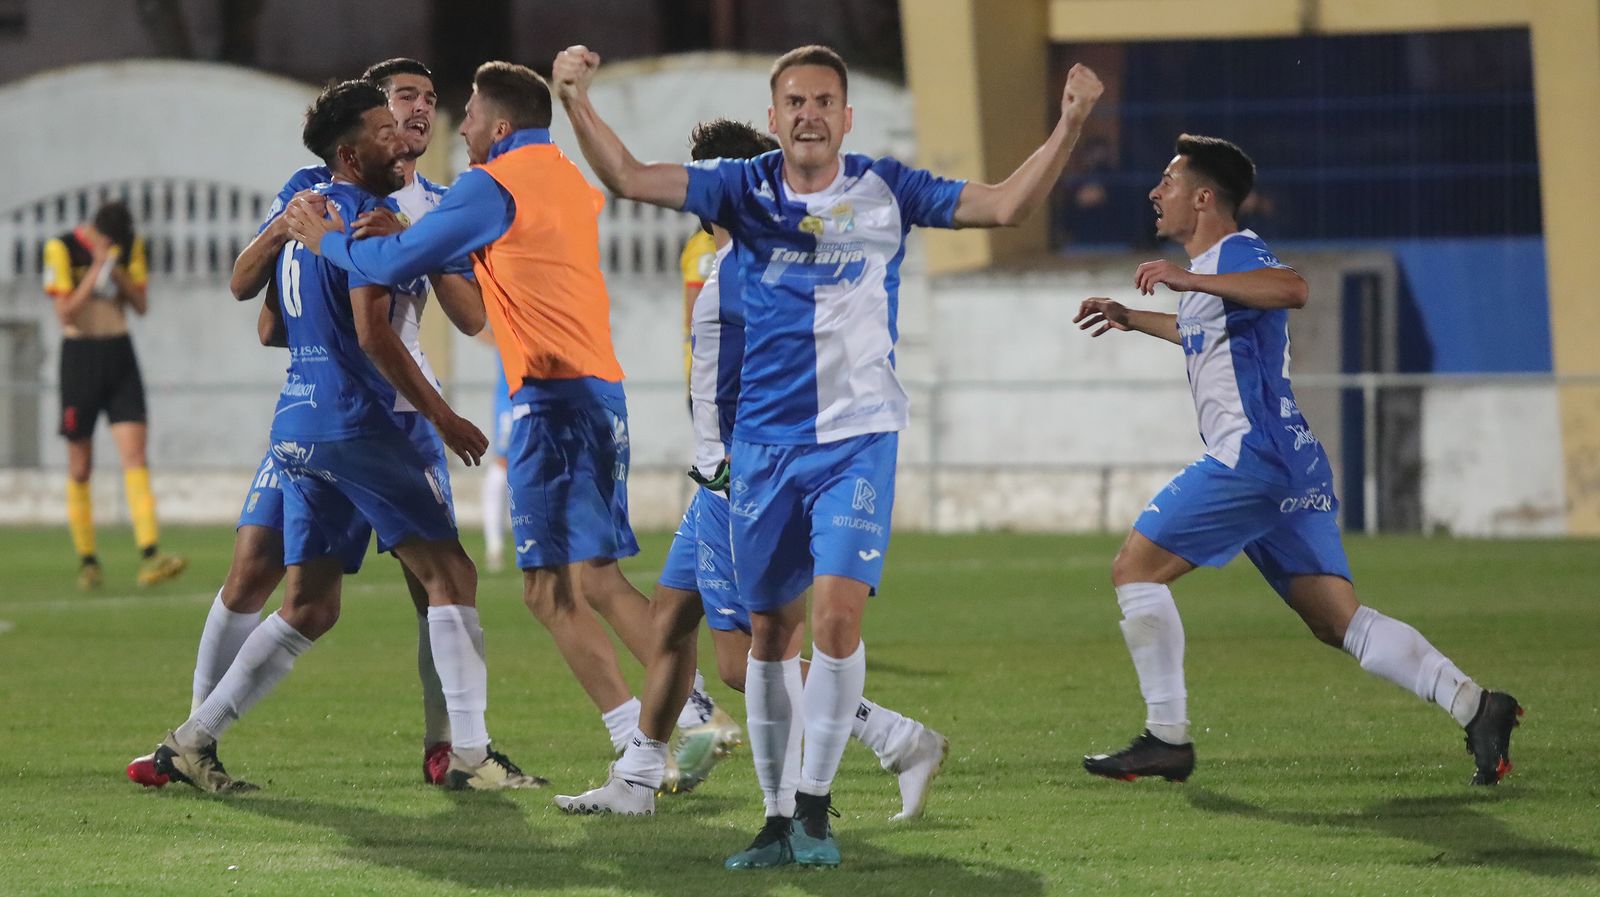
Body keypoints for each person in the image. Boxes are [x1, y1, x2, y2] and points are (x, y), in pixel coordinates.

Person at [550, 43, 1102, 869]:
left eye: (823, 101)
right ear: (773, 118)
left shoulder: (885, 189)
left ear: (847, 117)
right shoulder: (741, 195)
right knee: (734, 634)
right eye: (795, 102)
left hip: (846, 444)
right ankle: (738, 802)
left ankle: (825, 794)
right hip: (758, 455)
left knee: (818, 625)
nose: (809, 114)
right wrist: (574, 100)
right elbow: (629, 176)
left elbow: (1004, 206)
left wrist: (1070, 124)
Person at [283, 60, 722, 762]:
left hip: (552, 400)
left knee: (549, 593)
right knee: (594, 579)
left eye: (469, 114)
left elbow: (390, 265)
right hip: (601, 393)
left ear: (501, 125)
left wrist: (327, 242)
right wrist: (416, 231)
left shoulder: (490, 184)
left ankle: (676, 725)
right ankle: (680, 723)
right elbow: (474, 287)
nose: (460, 128)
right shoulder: (566, 179)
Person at [1072, 134, 1521, 787]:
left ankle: (1166, 737)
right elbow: (1201, 331)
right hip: (1290, 460)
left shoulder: (1235, 252)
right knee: (1339, 622)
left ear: (1204, 197)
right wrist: (1132, 316)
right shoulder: (1214, 275)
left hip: (1251, 456)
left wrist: (1186, 278)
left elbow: (1293, 287)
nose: (1154, 192)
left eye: (1167, 182)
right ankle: (1476, 705)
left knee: (1134, 569)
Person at [140, 79, 540, 794]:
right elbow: (373, 334)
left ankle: (191, 741)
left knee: (312, 605)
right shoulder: (358, 216)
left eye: (417, 110)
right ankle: (470, 753)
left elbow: (271, 322)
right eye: (389, 124)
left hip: (299, 422)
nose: (405, 132)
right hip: (362, 422)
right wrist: (445, 416)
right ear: (352, 153)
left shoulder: (312, 209)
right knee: (452, 577)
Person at [554, 118, 946, 821]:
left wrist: (742, 468)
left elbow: (768, 379)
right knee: (669, 619)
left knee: (742, 663)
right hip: (718, 477)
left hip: (738, 482)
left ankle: (896, 739)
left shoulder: (750, 272)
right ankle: (637, 776)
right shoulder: (727, 259)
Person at [43, 201, 187, 590]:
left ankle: (150, 554)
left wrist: (116, 267)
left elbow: (140, 305)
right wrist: (95, 268)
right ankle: (88, 560)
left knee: (135, 455)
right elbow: (65, 313)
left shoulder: (129, 247)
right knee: (80, 465)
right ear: (94, 231)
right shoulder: (60, 248)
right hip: (79, 358)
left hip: (119, 355)